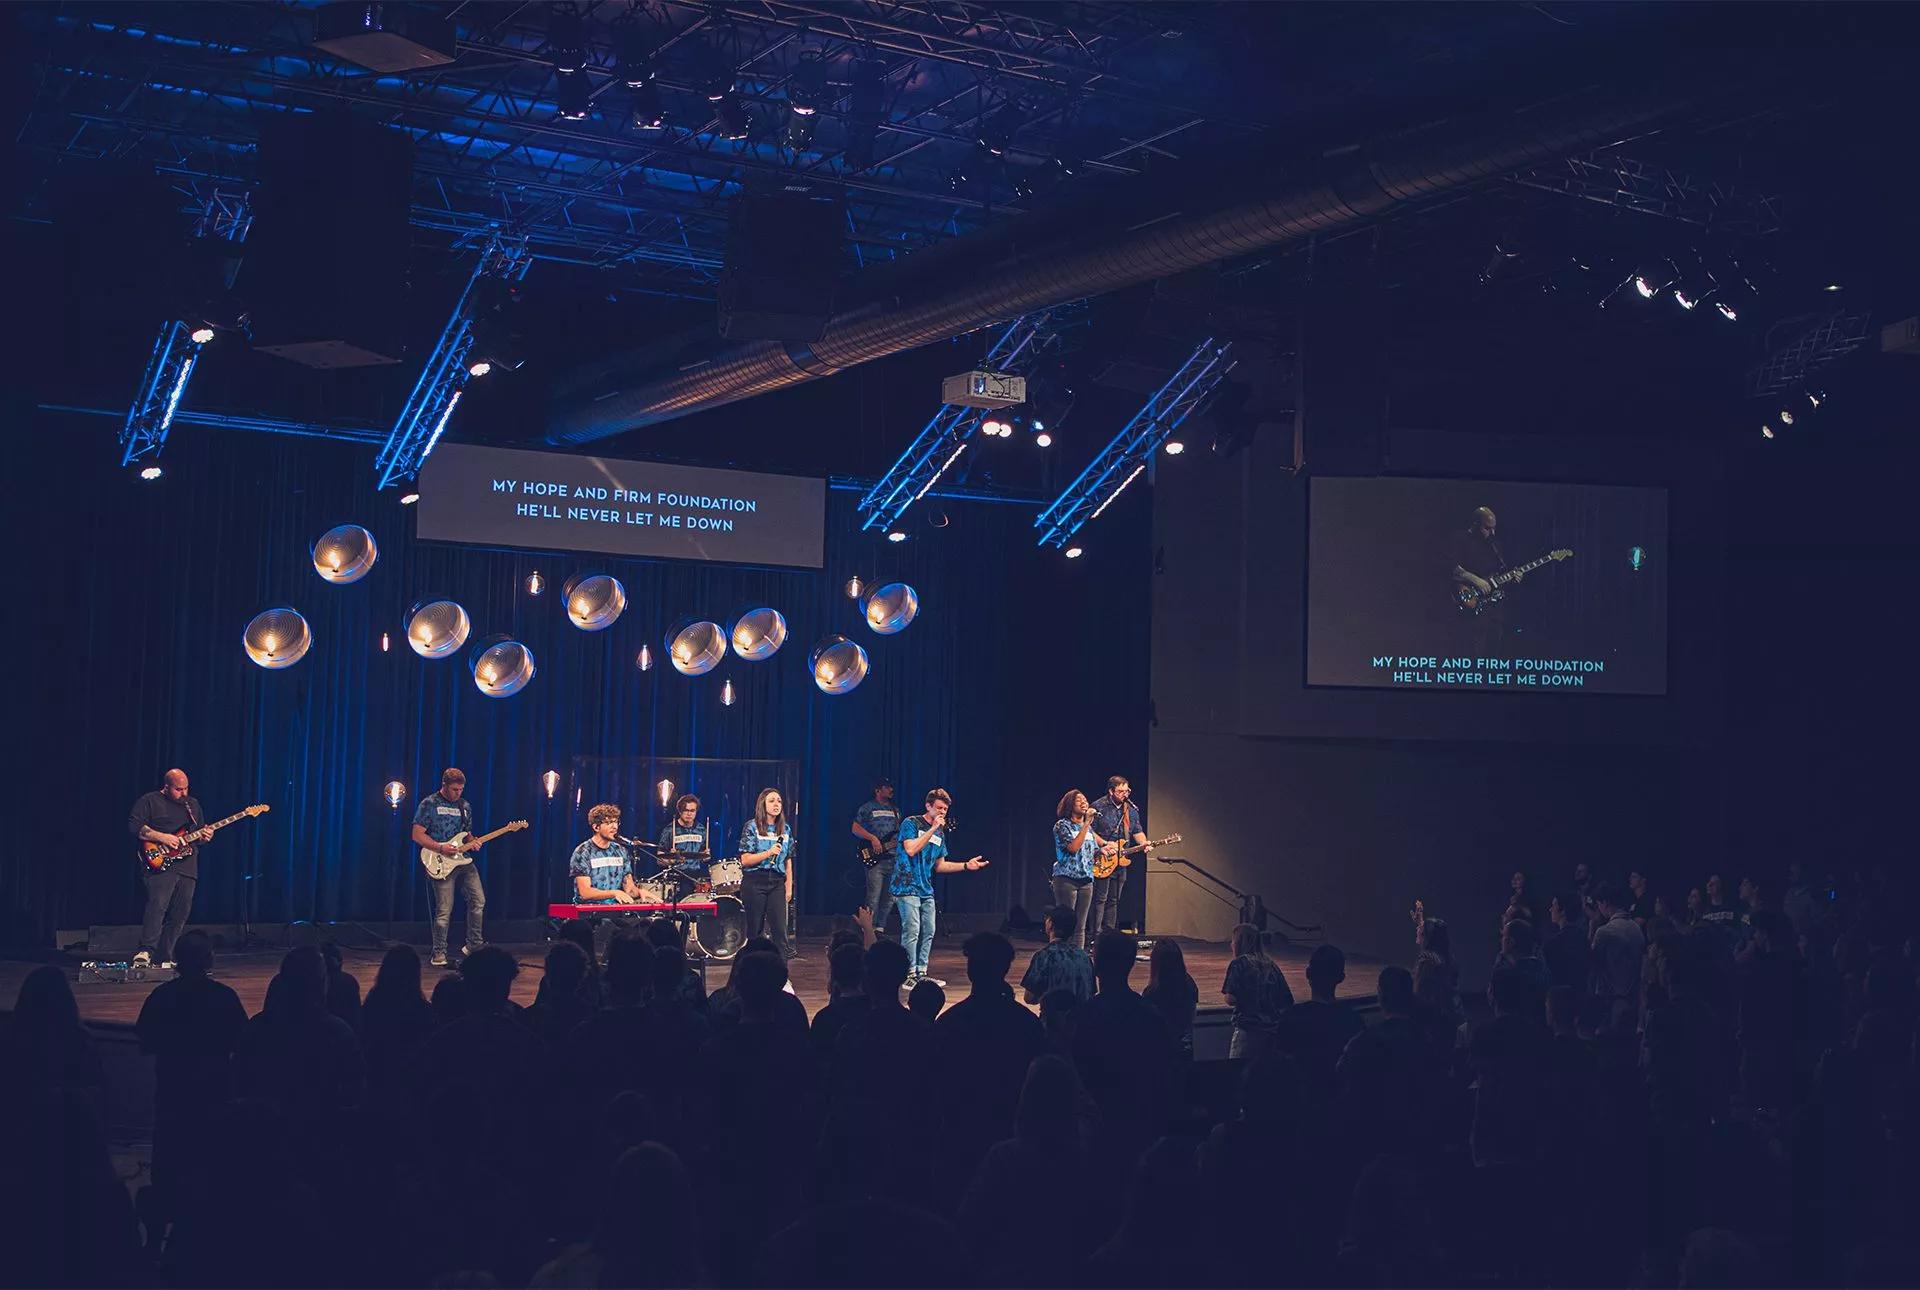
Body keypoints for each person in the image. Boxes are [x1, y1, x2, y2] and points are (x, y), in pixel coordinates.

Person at [134, 930, 247, 1206]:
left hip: (173, 1090)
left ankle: (163, 1215)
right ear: (209, 960)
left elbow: (145, 1040)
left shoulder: (162, 996)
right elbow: (242, 1040)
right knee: (211, 1156)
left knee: (170, 1153)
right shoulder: (224, 997)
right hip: (214, 1090)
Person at [892, 788, 989, 990]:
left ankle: (922, 972)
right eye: (939, 808)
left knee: (929, 930)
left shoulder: (939, 833)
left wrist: (965, 865)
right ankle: (908, 973)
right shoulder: (911, 823)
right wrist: (932, 828)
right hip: (906, 884)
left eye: (945, 809)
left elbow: (940, 865)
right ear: (928, 806)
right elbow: (910, 849)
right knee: (912, 929)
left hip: (925, 888)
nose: (942, 812)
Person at [127, 768, 211, 969]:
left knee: (181, 912)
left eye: (186, 788)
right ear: (166, 787)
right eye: (178, 789)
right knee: (158, 905)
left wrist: (205, 837)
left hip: (188, 865)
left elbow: (196, 836)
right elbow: (134, 826)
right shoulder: (150, 801)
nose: (183, 793)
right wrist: (163, 837)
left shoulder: (193, 805)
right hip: (160, 862)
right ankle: (146, 950)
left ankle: (165, 955)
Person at [411, 768, 487, 967]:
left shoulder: (465, 806)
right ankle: (439, 953)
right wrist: (440, 848)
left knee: (478, 901)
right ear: (444, 785)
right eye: (454, 789)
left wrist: (474, 842)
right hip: (440, 860)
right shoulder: (429, 804)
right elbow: (417, 834)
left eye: (461, 789)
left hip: (463, 859)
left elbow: (467, 834)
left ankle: (474, 946)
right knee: (444, 910)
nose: (458, 793)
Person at [1274, 943, 1364, 1100]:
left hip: (1301, 1106)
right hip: (1340, 1106)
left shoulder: (1291, 1018)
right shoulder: (1353, 1020)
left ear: (1308, 973)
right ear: (1341, 978)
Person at [1088, 775, 1150, 943]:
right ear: (1111, 791)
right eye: (1121, 791)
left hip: (1121, 861)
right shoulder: (1098, 806)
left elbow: (1137, 831)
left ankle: (1108, 934)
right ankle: (1095, 935)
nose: (1125, 794)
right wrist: (1103, 844)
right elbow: (1088, 830)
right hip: (1103, 858)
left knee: (1114, 899)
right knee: (1100, 898)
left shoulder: (1130, 810)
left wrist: (1144, 843)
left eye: (1127, 791)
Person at [738, 787, 796, 961]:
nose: (776, 804)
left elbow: (788, 861)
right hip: (755, 881)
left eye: (779, 801)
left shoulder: (785, 829)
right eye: (771, 801)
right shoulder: (752, 826)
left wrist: (788, 888)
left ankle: (782, 976)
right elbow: (745, 859)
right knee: (755, 932)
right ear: (763, 804)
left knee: (780, 932)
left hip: (777, 883)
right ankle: (752, 973)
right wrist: (768, 853)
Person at [1222, 923, 1295, 1059]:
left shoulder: (1238, 963)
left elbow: (1231, 998)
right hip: (1271, 1032)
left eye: (1233, 941)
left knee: (1239, 1072)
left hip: (1248, 1030)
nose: (1231, 944)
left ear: (1239, 943)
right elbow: (1286, 1000)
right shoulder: (1271, 964)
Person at [1051, 789, 1106, 949]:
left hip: (1086, 881)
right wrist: (1087, 823)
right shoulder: (1062, 825)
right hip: (1067, 880)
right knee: (1066, 925)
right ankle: (1063, 958)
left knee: (1081, 926)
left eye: (1085, 800)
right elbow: (1073, 848)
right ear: (1069, 805)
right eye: (1078, 800)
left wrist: (1100, 851)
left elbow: (1090, 852)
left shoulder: (1088, 829)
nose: (1084, 803)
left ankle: (1078, 960)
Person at [1588, 882, 1645, 1031]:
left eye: (1598, 904)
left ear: (1605, 903)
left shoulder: (1604, 931)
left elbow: (1592, 964)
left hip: (1613, 1001)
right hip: (1635, 998)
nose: (1598, 909)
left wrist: (1591, 929)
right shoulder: (1635, 927)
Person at [851, 777, 902, 937]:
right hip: (876, 860)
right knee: (873, 896)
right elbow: (855, 828)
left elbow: (899, 833)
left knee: (890, 897)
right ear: (878, 790)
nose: (891, 790)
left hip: (893, 859)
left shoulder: (896, 810)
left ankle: (880, 929)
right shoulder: (867, 808)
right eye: (887, 787)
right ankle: (868, 929)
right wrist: (872, 838)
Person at [569, 803, 644, 904]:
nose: (615, 827)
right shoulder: (583, 852)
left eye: (616, 822)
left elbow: (629, 889)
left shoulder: (621, 851)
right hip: (588, 913)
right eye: (609, 823)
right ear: (596, 827)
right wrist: (614, 893)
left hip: (614, 912)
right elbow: (585, 892)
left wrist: (641, 892)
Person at [1020, 904, 1095, 1004]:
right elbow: (1090, 992)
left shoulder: (1043, 956)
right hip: (1082, 1018)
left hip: (1054, 1018)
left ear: (1050, 924)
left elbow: (1029, 998)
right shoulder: (1084, 957)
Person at [1142, 938, 1199, 1061]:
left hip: (1161, 1053)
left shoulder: (1152, 992)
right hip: (1185, 1048)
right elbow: (1192, 1014)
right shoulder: (1189, 984)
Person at [655, 793, 711, 897]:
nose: (689, 814)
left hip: (696, 877)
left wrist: (706, 855)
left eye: (692, 811)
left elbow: (705, 855)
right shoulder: (670, 830)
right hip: (677, 876)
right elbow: (659, 858)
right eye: (686, 810)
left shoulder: (701, 830)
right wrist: (671, 860)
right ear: (680, 811)